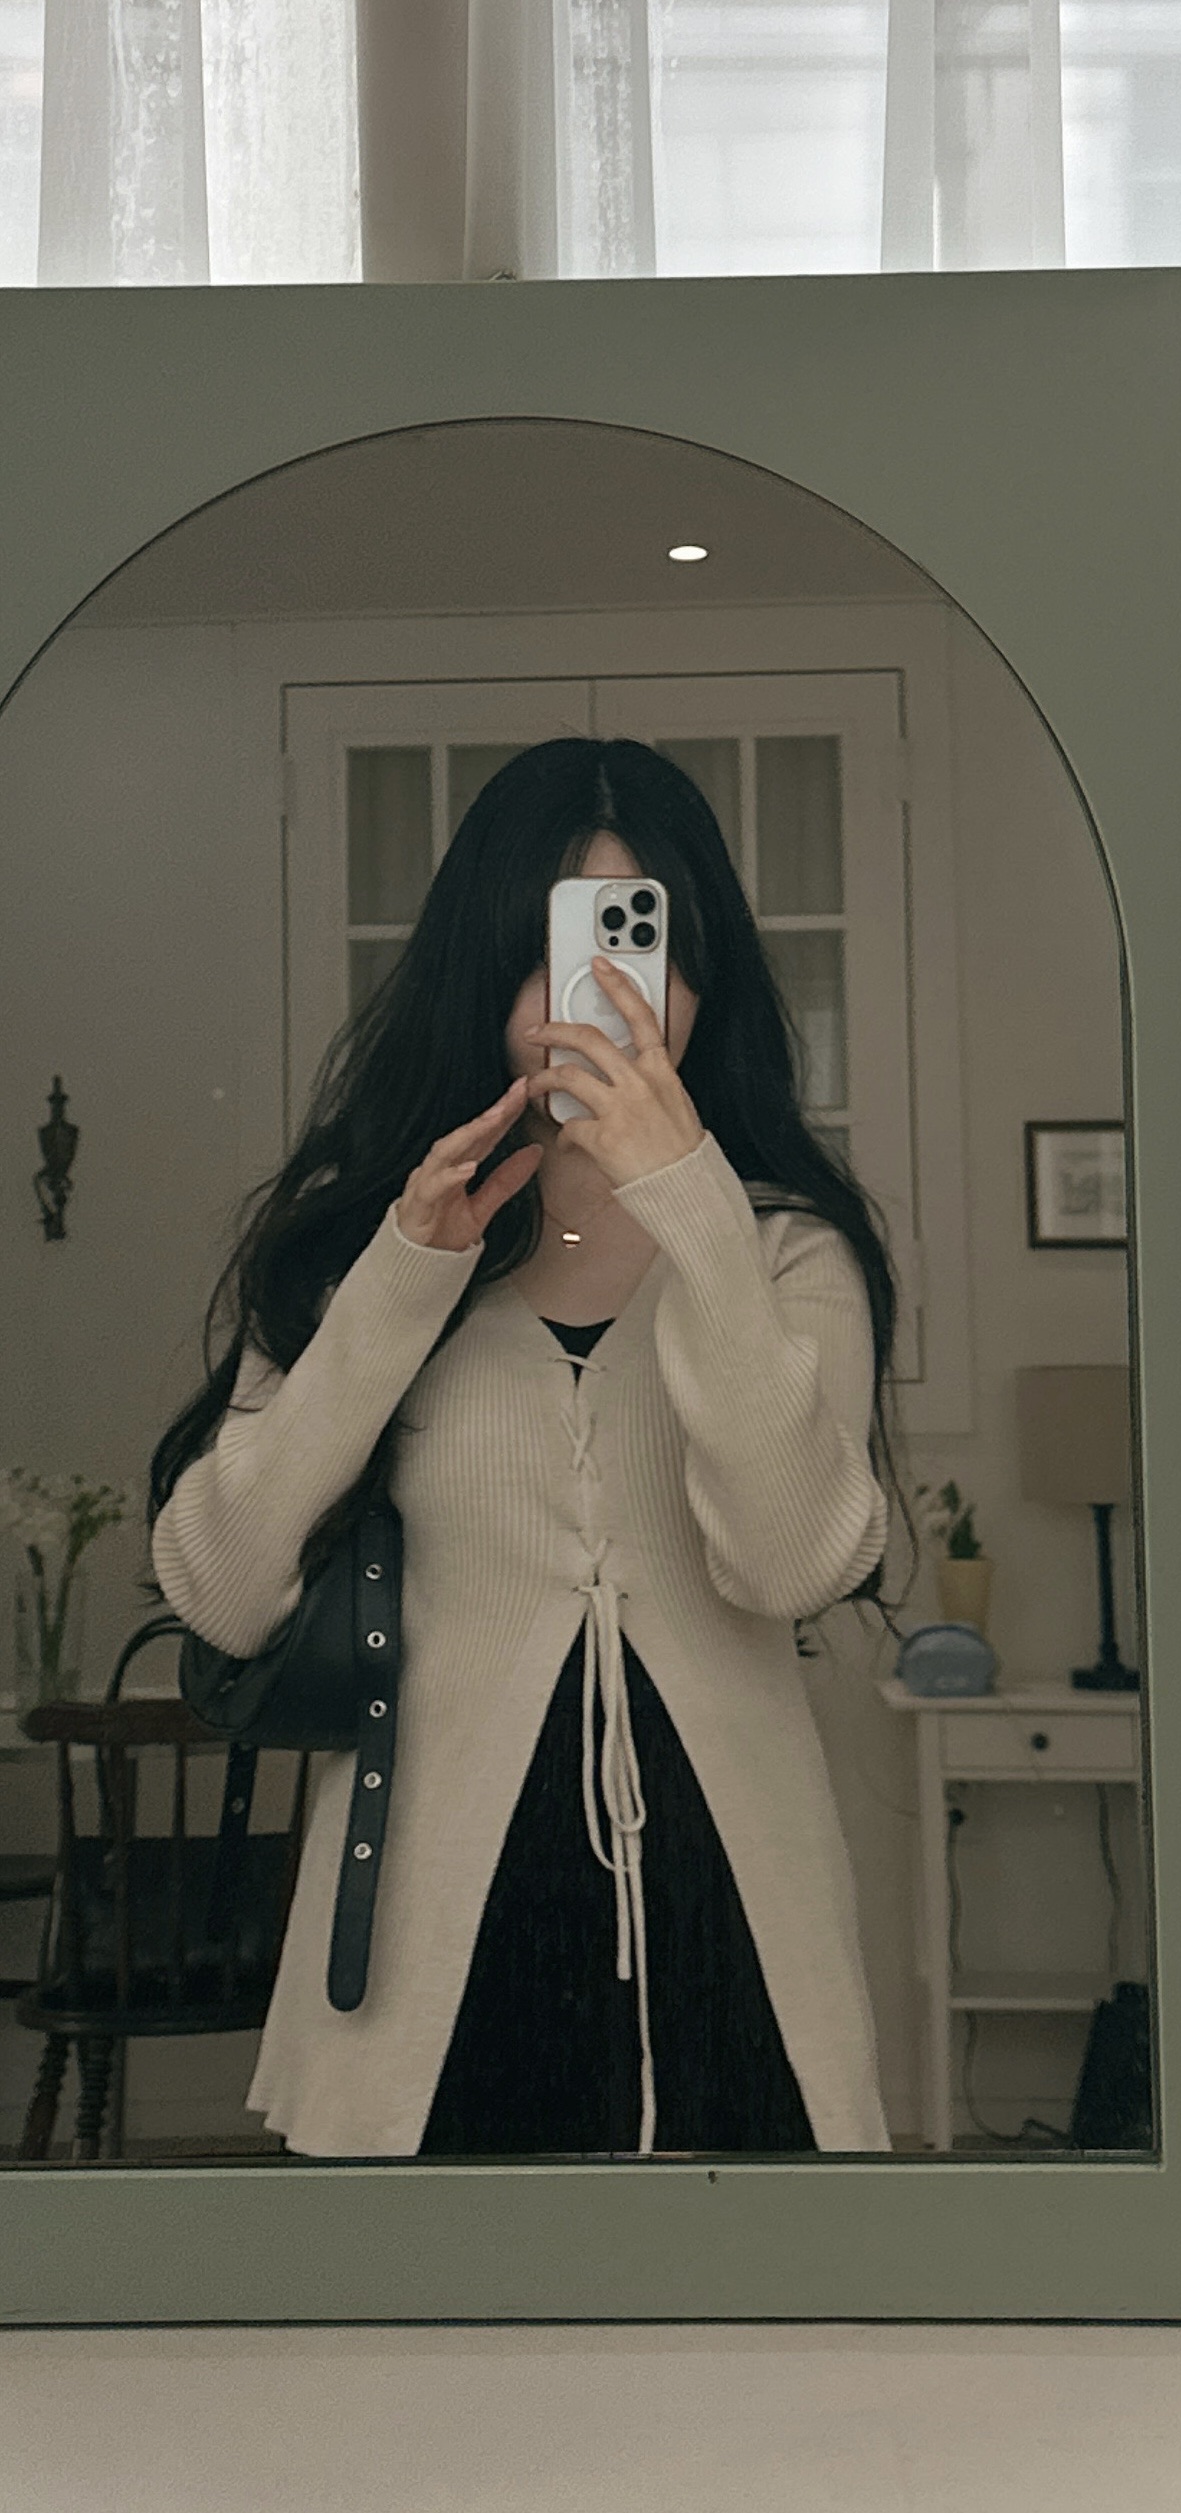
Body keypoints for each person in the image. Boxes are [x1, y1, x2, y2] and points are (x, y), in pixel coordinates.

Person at [146, 738, 911, 2159]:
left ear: (704, 977)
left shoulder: (785, 1252)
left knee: (752, 2300)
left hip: (731, 1916)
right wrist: (397, 1284)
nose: (603, 999)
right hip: (431, 1928)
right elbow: (222, 1589)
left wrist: (694, 1210)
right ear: (485, 970)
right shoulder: (364, 1240)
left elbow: (791, 1561)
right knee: (439, 2301)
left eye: (643, 946)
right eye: (561, 952)